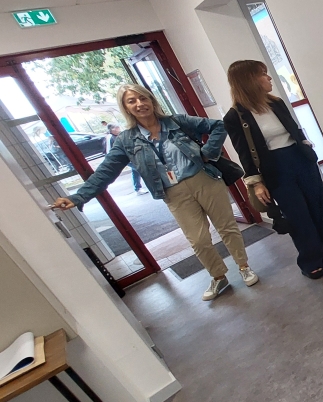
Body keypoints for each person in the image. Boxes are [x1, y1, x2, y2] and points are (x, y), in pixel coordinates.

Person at [52, 84, 258, 301]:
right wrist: (79, 196)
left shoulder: (177, 122)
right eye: (132, 101)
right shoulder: (126, 140)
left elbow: (218, 125)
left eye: (143, 98)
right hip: (173, 192)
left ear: (151, 100)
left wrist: (209, 151)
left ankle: (244, 266)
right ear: (126, 108)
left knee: (226, 227)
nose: (139, 104)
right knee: (198, 240)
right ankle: (218, 276)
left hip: (204, 180)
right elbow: (106, 171)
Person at [223, 60, 323, 280]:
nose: (269, 77)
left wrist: (305, 144)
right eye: (262, 74)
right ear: (249, 80)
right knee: (297, 214)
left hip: (299, 158)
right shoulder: (235, 117)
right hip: (275, 167)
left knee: (320, 205)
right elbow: (244, 152)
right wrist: (256, 182)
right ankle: (311, 260)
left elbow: (294, 129)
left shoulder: (276, 103)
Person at [106, 122, 146, 195]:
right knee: (140, 168)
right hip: (124, 158)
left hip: (129, 157)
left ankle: (138, 188)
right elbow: (110, 151)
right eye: (116, 128)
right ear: (111, 129)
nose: (118, 129)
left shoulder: (118, 135)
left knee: (136, 171)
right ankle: (143, 187)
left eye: (118, 127)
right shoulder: (111, 138)